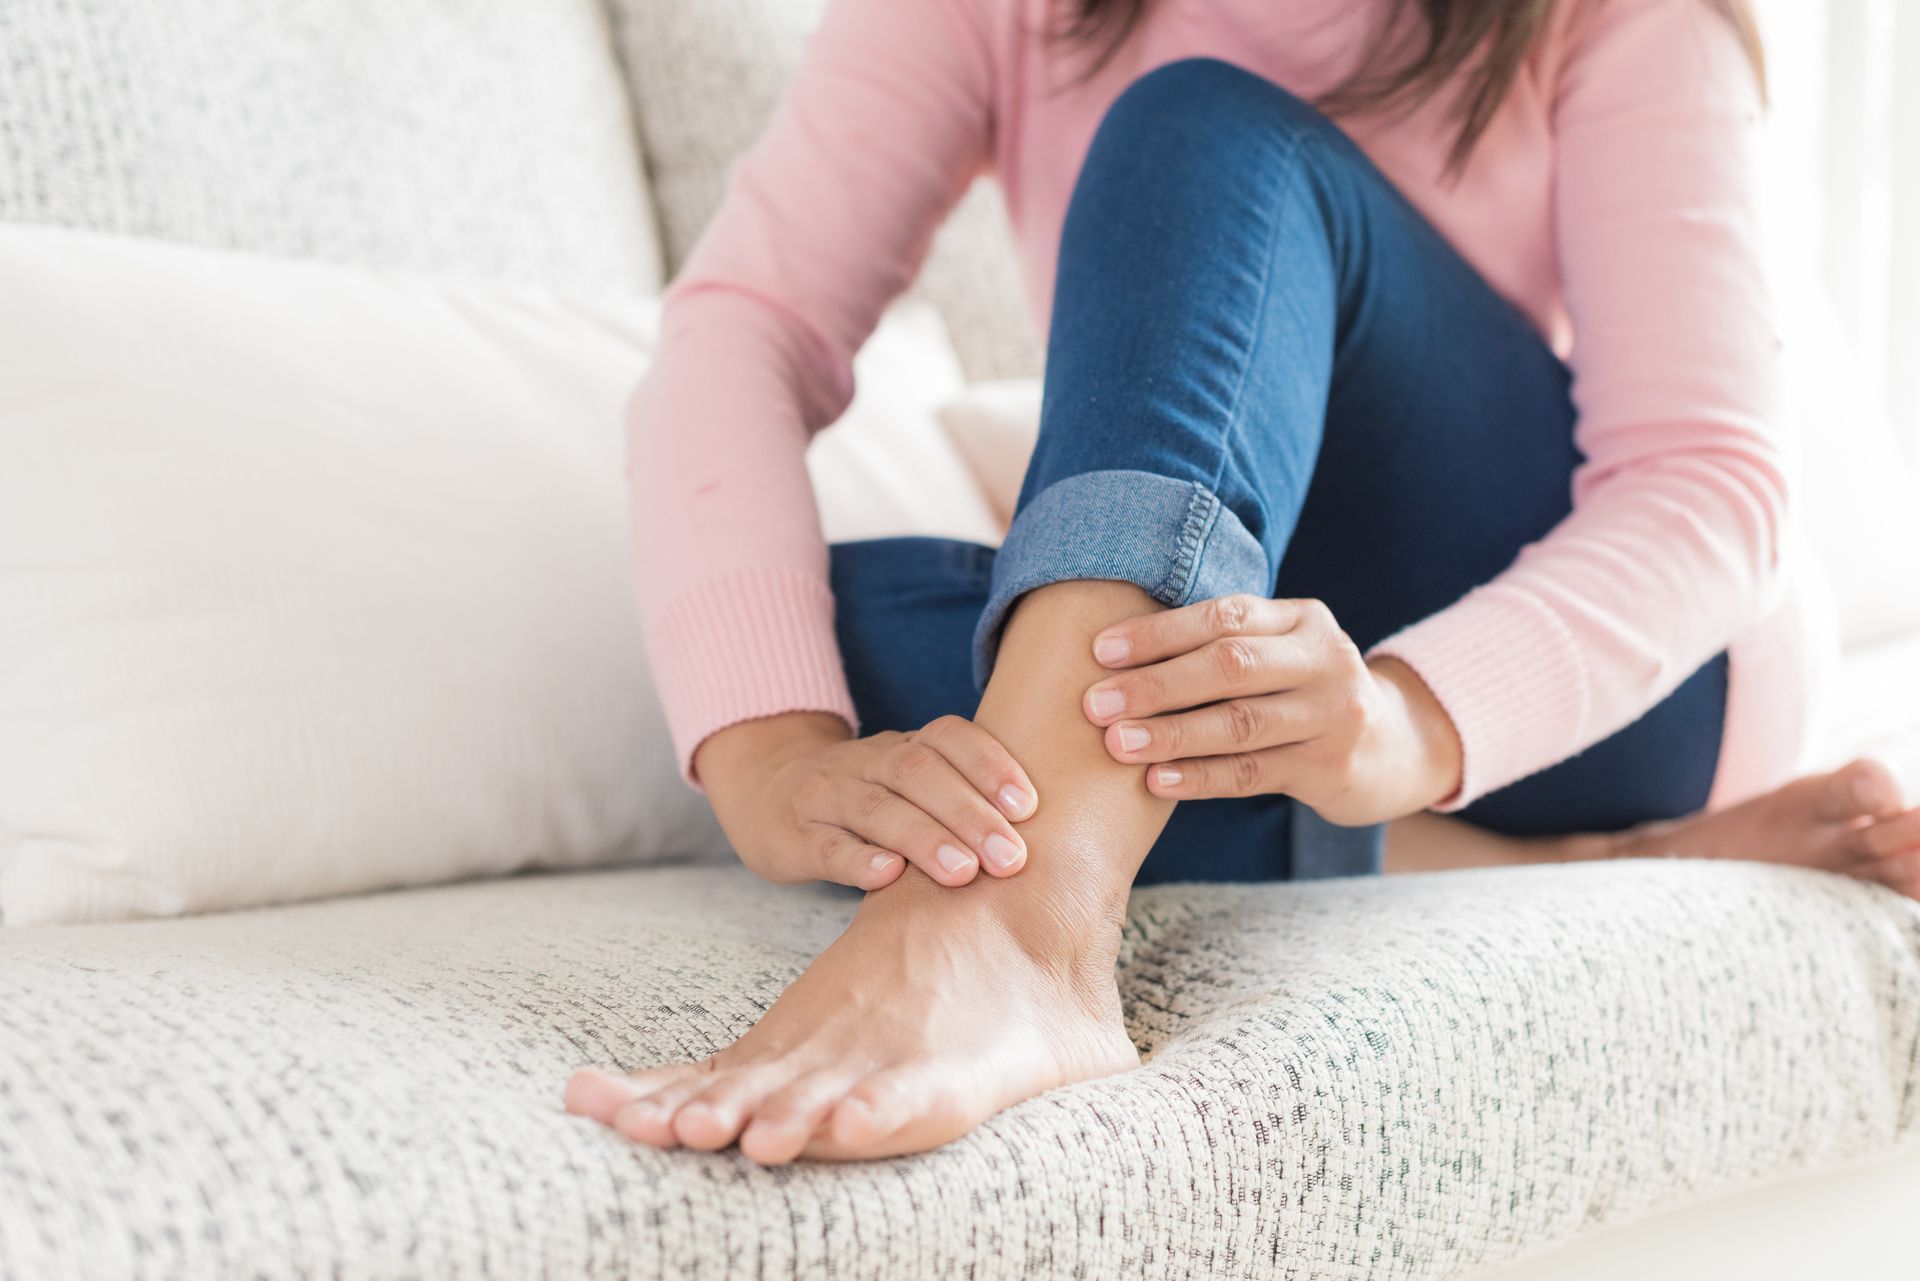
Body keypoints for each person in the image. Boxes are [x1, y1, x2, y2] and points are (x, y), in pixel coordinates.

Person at [565, 0, 1920, 1166]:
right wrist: (770, 760)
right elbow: (743, 327)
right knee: (831, 650)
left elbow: (1705, 487)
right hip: (1232, 639)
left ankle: (1026, 924)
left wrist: (1404, 721)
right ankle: (1550, 863)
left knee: (1201, 135)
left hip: (1620, 674)